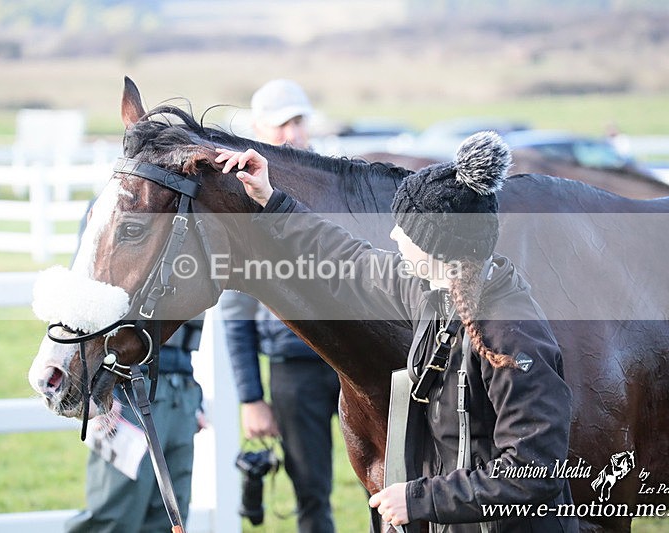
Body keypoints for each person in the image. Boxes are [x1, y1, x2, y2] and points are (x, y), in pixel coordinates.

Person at [215, 131, 578, 532]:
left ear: (438, 245)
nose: (392, 235)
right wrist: (271, 198)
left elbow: (536, 470)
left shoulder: (514, 336)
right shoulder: (432, 290)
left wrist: (419, 499)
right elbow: (346, 259)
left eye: (404, 227)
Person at [220, 79, 341, 533]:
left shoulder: (335, 186)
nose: (292, 134)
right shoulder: (240, 206)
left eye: (298, 121)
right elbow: (236, 315)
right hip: (295, 367)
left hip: (355, 357)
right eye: (281, 125)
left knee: (386, 484)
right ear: (257, 130)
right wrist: (252, 397)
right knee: (311, 492)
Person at [65, 201, 206, 533]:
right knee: (113, 519)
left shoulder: (192, 214)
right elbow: (82, 304)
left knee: (169, 519)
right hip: (125, 389)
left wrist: (187, 395)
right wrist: (95, 392)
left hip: (178, 388)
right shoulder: (111, 211)